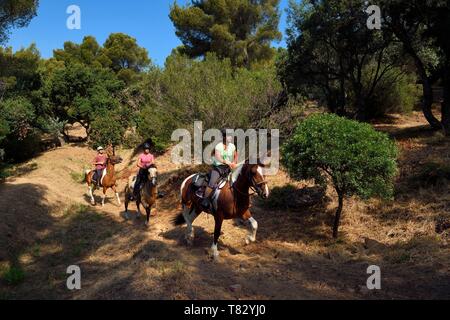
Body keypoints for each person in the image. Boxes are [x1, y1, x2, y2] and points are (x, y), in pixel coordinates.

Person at [201, 129, 238, 209]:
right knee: (212, 182)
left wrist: (234, 163)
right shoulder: (218, 146)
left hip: (229, 168)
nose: (230, 137)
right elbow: (218, 158)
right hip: (218, 168)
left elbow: (235, 155)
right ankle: (205, 200)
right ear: (224, 137)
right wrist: (227, 162)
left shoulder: (232, 146)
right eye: (228, 136)